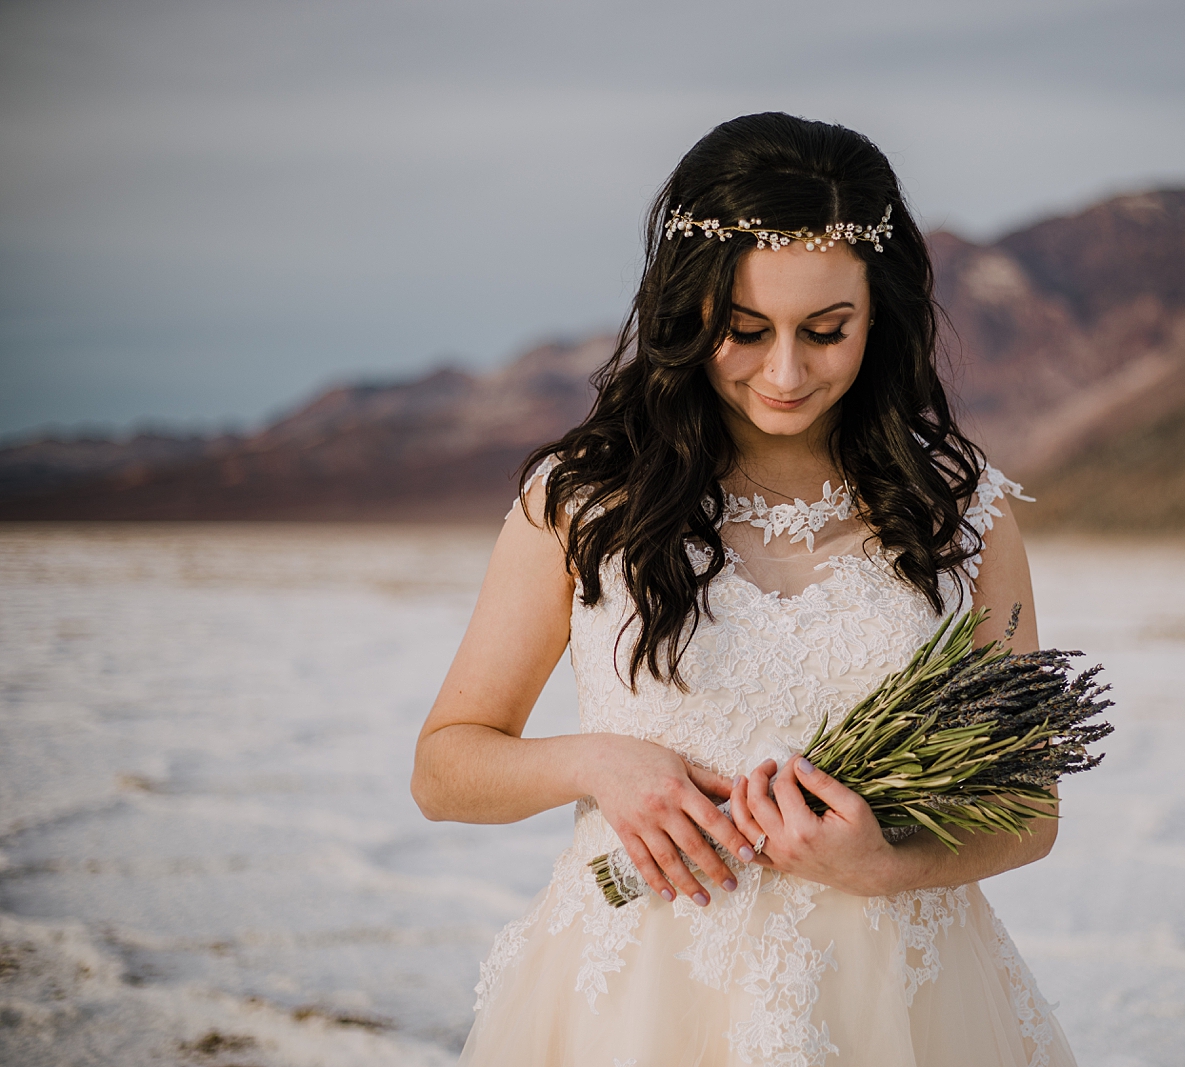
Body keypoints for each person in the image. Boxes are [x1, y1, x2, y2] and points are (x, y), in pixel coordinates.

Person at [412, 112, 1076, 1067]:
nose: (786, 370)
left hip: (898, 1004)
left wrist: (885, 866)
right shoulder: (583, 499)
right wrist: (602, 764)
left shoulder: (962, 512)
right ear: (688, 313)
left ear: (878, 316)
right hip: (641, 1008)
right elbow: (443, 769)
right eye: (746, 329)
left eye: (826, 331)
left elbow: (1029, 807)